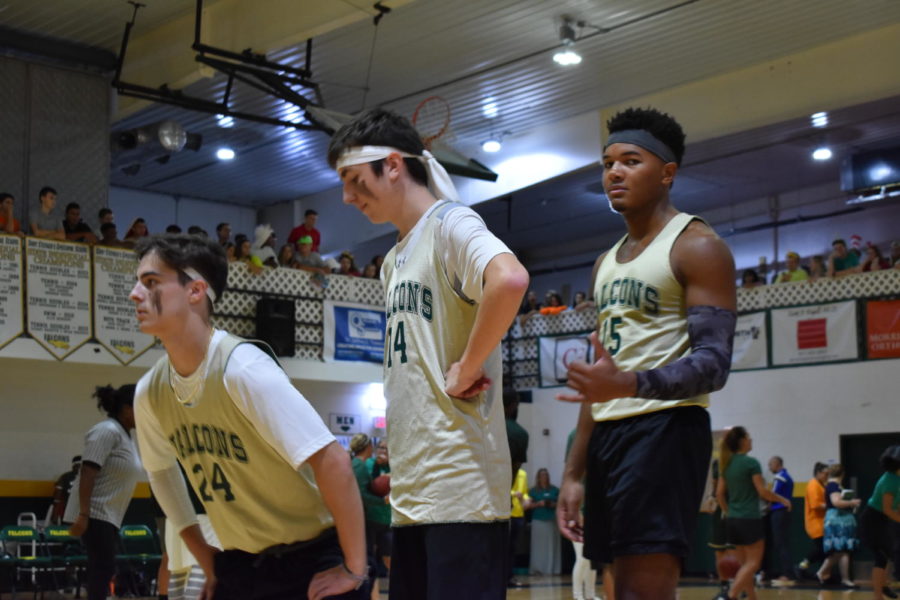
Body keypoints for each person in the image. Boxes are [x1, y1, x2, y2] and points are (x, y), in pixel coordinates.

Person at [328, 107, 529, 599]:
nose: (347, 196)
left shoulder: (450, 223)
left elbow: (510, 278)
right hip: (414, 495)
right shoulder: (395, 258)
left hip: (461, 490)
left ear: (393, 165)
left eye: (355, 180)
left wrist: (469, 366)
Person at [557, 107, 736, 600]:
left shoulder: (698, 246)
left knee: (644, 589)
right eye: (607, 163)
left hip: (666, 430)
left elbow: (713, 365)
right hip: (610, 437)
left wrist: (629, 384)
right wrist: (573, 472)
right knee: (613, 586)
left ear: (667, 173)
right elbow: (602, 378)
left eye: (630, 161)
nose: (614, 172)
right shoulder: (604, 263)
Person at [130, 234, 368, 599]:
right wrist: (204, 556)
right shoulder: (151, 391)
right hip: (240, 565)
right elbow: (160, 472)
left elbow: (333, 460)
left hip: (310, 559)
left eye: (150, 283)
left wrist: (354, 566)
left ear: (195, 291)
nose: (134, 294)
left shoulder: (243, 369)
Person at [64, 384, 143, 600]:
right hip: (95, 513)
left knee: (105, 568)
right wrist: (83, 514)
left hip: (108, 515)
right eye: (140, 406)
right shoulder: (107, 431)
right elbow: (88, 471)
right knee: (103, 568)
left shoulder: (124, 435)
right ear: (127, 409)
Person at [715, 427, 792, 600]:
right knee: (753, 564)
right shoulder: (751, 463)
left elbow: (719, 494)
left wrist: (728, 511)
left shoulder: (726, 463)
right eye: (749, 437)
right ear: (742, 441)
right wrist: (783, 500)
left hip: (732, 520)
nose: (751, 440)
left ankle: (752, 597)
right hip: (750, 518)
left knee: (744, 566)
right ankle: (731, 595)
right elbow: (762, 492)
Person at [858, 446, 900, 600]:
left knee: (888, 554)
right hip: (872, 520)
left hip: (881, 520)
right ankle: (878, 596)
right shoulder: (890, 480)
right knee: (881, 557)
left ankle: (883, 586)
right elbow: (888, 510)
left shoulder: (897, 477)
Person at [818, 463, 862, 588]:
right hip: (837, 521)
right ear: (842, 474)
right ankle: (826, 573)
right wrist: (851, 502)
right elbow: (836, 502)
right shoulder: (833, 486)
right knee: (840, 551)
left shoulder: (834, 486)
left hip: (838, 520)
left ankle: (842, 578)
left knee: (841, 551)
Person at [707, 458, 736, 598]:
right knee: (719, 549)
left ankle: (736, 584)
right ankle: (725, 585)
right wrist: (712, 497)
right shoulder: (718, 463)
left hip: (736, 507)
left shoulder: (740, 462)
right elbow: (715, 486)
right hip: (722, 509)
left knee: (735, 550)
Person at [798, 462, 829, 578]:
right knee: (821, 549)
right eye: (825, 474)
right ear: (818, 473)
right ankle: (802, 566)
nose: (827, 476)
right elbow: (815, 505)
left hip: (822, 522)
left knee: (823, 551)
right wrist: (831, 504)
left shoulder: (821, 485)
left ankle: (823, 574)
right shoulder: (813, 485)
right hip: (816, 523)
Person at [767, 456, 795, 585]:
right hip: (785, 512)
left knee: (781, 543)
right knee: (784, 542)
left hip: (779, 512)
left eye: (770, 465)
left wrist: (767, 503)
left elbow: (773, 494)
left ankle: (787, 574)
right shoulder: (788, 477)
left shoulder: (779, 477)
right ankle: (787, 572)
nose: (769, 467)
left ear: (776, 464)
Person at [528, 468, 561, 575]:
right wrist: (539, 504)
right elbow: (528, 506)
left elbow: (561, 504)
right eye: (542, 475)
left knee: (551, 546)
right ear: (538, 477)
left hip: (551, 519)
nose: (544, 477)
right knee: (538, 547)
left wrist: (552, 504)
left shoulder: (554, 490)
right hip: (538, 520)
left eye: (546, 475)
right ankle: (538, 569)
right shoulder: (533, 491)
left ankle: (552, 569)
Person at [509, 467, 531, 588]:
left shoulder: (523, 473)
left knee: (513, 548)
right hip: (506, 514)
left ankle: (510, 576)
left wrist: (526, 499)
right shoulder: (504, 469)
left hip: (518, 515)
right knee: (504, 548)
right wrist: (513, 494)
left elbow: (525, 492)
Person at [51, 455, 81, 524]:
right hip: (68, 508)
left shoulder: (65, 476)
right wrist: (55, 512)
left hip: (78, 509)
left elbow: (57, 496)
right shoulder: (65, 477)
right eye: (77, 465)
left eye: (80, 465)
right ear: (73, 466)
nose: (79, 467)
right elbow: (57, 495)